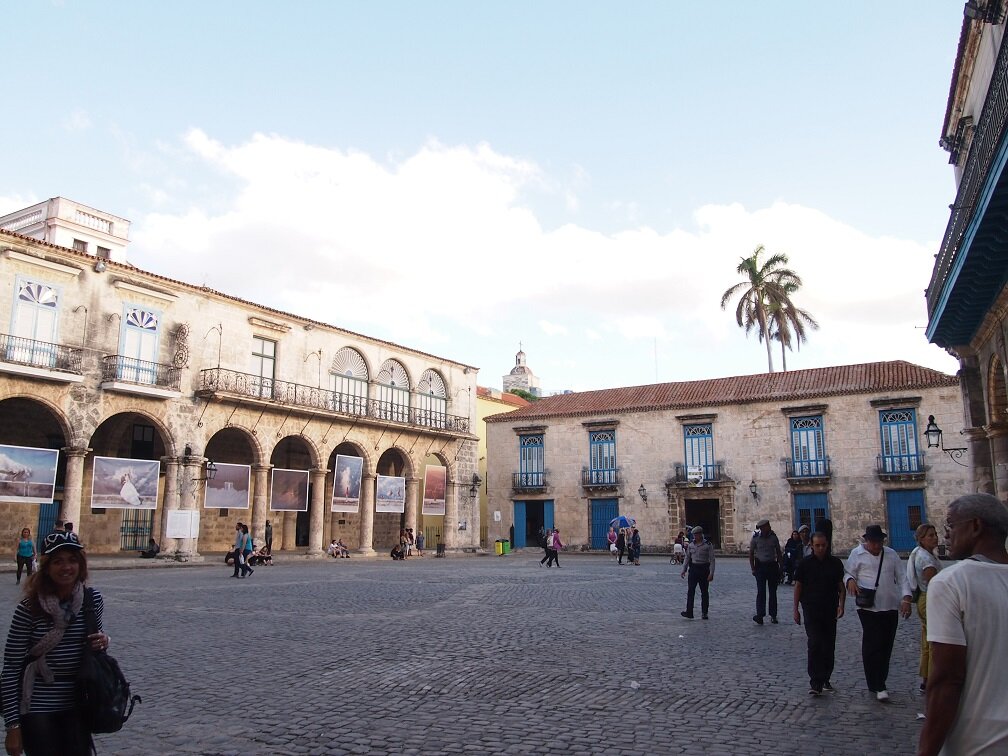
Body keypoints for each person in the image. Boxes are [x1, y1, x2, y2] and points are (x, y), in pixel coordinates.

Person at [1, 531, 110, 756]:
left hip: (78, 703)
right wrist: (12, 726)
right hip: (37, 706)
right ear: (47, 567)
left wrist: (103, 641)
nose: (66, 567)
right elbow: (11, 668)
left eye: (72, 560)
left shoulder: (92, 600)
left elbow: (93, 649)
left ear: (81, 564)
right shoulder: (29, 609)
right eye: (58, 561)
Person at [918, 493, 1008, 756]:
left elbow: (947, 679)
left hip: (978, 743)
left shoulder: (951, 583)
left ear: (976, 526)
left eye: (950, 525)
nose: (946, 534)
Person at [844, 524, 912, 701]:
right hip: (868, 607)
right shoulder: (856, 554)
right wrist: (850, 580)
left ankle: (880, 678)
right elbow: (847, 573)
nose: (876, 546)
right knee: (872, 643)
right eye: (873, 542)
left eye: (879, 542)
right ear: (867, 541)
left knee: (886, 645)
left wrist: (906, 598)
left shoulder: (891, 555)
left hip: (889, 606)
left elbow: (902, 577)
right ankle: (877, 683)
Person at [793, 532, 845, 695]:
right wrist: (795, 609)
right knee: (815, 643)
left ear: (827, 545)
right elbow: (798, 587)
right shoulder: (804, 564)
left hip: (829, 609)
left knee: (829, 645)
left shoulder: (835, 563)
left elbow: (841, 587)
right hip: (811, 609)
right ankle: (815, 681)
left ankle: (826, 677)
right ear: (812, 546)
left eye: (823, 545)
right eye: (817, 546)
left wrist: (841, 605)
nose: (821, 548)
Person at [908, 523, 942, 694]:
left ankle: (926, 679)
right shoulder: (926, 560)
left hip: (924, 598)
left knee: (927, 640)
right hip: (929, 599)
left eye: (935, 534)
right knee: (933, 641)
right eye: (930, 535)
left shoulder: (920, 553)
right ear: (921, 539)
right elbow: (934, 583)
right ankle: (930, 679)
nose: (935, 537)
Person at [749, 518, 783, 624]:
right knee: (761, 591)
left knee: (773, 592)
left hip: (772, 566)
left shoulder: (773, 538)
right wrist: (753, 568)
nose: (766, 528)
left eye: (767, 526)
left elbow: (778, 552)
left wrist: (781, 567)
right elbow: (751, 554)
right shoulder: (755, 539)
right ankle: (760, 615)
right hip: (760, 567)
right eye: (763, 527)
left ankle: (773, 615)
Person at [680, 526, 715, 619]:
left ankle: (704, 612)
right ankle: (689, 612)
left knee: (704, 592)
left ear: (700, 534)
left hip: (704, 568)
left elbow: (712, 560)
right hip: (694, 569)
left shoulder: (708, 545)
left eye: (696, 535)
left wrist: (711, 573)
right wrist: (683, 570)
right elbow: (687, 558)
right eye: (694, 535)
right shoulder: (691, 545)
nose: (694, 536)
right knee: (691, 591)